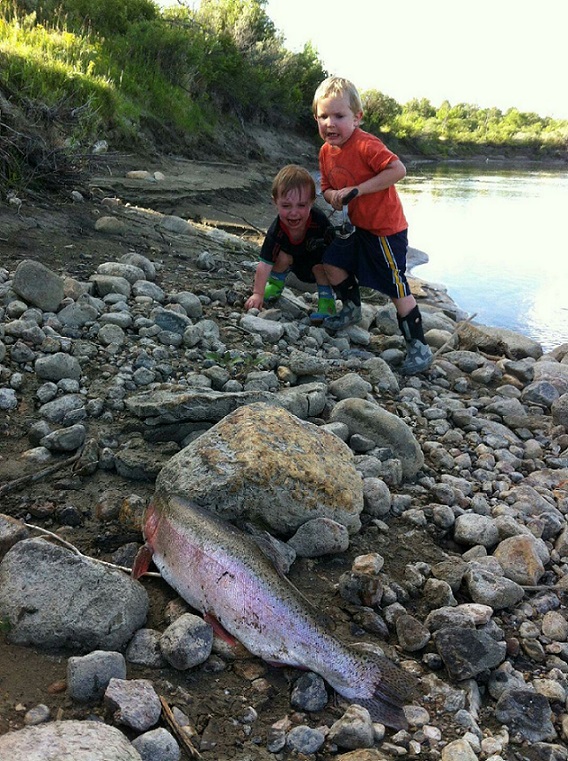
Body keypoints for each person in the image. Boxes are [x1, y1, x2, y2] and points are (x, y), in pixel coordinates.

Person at [313, 76, 433, 375]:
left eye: (339, 116)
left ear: (357, 117)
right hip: (360, 228)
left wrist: (358, 190)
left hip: (385, 231)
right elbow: (326, 186)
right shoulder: (326, 152)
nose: (330, 123)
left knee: (395, 286)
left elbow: (398, 170)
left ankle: (419, 347)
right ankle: (351, 310)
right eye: (323, 116)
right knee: (331, 263)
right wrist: (334, 197)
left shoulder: (366, 144)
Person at [245, 164, 336, 322]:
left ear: (312, 202)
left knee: (323, 265)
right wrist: (257, 293)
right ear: (275, 202)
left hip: (317, 265)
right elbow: (264, 264)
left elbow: (336, 247)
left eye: (301, 205)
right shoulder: (277, 230)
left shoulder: (319, 221)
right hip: (292, 263)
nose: (294, 213)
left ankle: (327, 303)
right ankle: (274, 286)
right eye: (286, 206)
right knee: (280, 255)